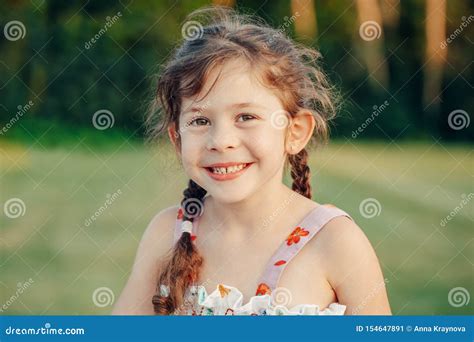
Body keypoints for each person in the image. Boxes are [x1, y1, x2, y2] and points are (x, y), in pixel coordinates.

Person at [113, 6, 391, 316]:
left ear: (295, 132)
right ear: (177, 139)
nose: (221, 141)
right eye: (200, 121)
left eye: (246, 117)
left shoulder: (336, 242)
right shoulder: (167, 233)